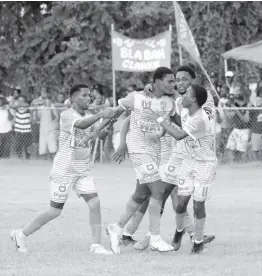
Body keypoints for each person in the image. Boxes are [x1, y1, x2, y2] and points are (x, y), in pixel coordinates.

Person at [114, 65, 215, 250]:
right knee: (156, 192)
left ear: (193, 81)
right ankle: (146, 235)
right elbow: (134, 116)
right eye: (176, 80)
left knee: (157, 193)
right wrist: (152, 90)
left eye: (185, 79)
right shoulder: (171, 98)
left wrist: (161, 122)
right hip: (168, 153)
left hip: (190, 155)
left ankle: (145, 234)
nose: (179, 83)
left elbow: (188, 125)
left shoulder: (200, 99)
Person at [10, 84, 117, 255]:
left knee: (95, 203)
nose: (89, 98)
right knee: (55, 211)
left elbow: (97, 136)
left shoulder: (89, 116)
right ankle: (20, 234)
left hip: (82, 170)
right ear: (74, 98)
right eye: (84, 95)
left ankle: (96, 245)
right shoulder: (67, 115)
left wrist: (108, 125)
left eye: (89, 95)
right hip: (64, 170)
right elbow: (81, 125)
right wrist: (101, 115)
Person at [106, 67, 177, 254]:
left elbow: (179, 124)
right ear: (157, 82)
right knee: (159, 190)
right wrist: (100, 130)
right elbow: (116, 113)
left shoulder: (169, 102)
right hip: (138, 150)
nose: (173, 84)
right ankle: (155, 238)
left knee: (141, 194)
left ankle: (117, 228)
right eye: (170, 81)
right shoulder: (136, 97)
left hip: (155, 153)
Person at [149, 84, 218, 254]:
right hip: (187, 162)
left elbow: (179, 134)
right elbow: (181, 122)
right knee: (180, 204)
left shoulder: (201, 119)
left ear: (193, 99)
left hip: (204, 164)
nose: (183, 95)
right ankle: (180, 231)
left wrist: (160, 119)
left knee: (198, 205)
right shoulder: (186, 108)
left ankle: (198, 242)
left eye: (187, 93)